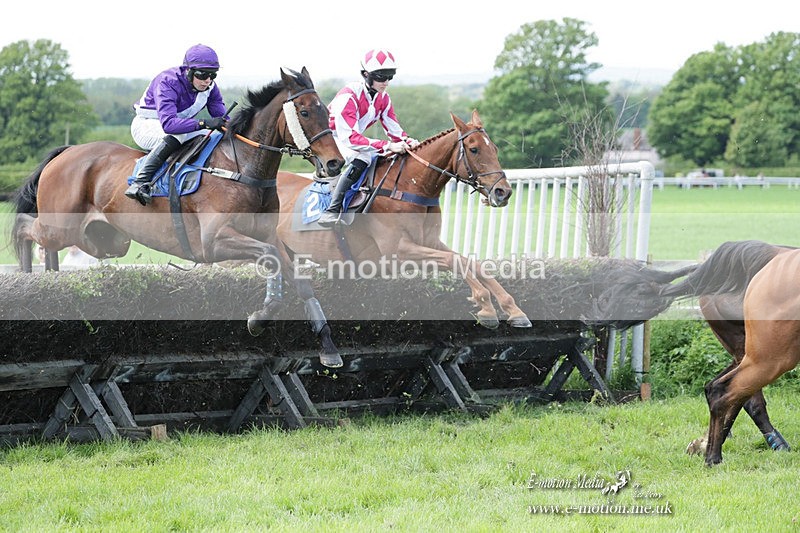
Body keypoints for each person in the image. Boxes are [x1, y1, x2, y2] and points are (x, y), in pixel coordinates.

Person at [317, 48, 419, 227]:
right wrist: (387, 146)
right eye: (381, 77)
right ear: (365, 74)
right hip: (332, 139)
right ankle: (332, 209)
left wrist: (409, 142)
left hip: (350, 138)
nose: (386, 82)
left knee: (385, 156)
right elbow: (349, 138)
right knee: (363, 156)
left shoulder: (383, 98)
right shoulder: (348, 96)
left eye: (390, 77)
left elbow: (394, 129)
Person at [125, 44, 229, 206]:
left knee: (215, 136)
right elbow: (169, 125)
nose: (207, 80)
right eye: (202, 75)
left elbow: (222, 118)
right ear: (189, 71)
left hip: (179, 127)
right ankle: (139, 182)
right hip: (148, 125)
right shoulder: (168, 82)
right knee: (178, 134)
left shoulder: (210, 88)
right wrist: (204, 123)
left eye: (212, 75)